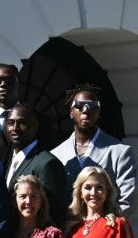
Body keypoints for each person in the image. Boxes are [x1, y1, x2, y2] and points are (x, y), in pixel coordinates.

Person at [50, 84, 136, 215]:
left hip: (105, 231)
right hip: (68, 232)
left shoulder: (121, 152)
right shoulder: (56, 155)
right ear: (71, 112)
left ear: (99, 113)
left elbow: (127, 202)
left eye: (92, 105)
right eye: (79, 105)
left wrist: (101, 228)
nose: (85, 110)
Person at [6, 104, 69, 226]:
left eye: (22, 123)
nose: (15, 128)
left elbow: (53, 213)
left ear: (35, 126)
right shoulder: (10, 158)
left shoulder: (47, 163)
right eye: (10, 122)